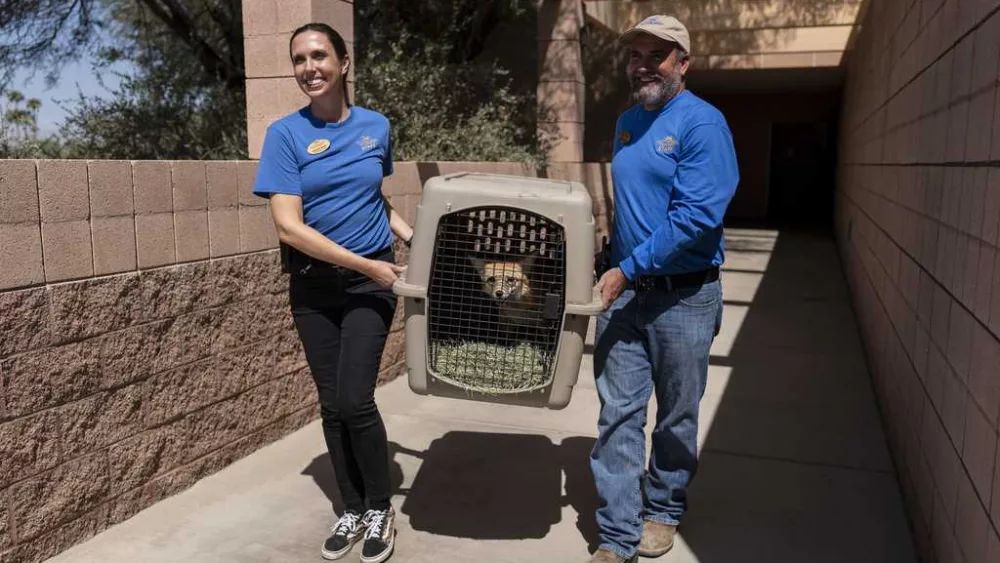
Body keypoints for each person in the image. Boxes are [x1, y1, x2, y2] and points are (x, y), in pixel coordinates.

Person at [251, 22, 412, 563]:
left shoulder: (376, 127)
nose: (309, 67)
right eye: (299, 59)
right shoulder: (285, 135)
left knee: (354, 398)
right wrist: (368, 263)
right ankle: (350, 506)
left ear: (345, 64)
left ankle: (379, 508)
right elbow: (289, 228)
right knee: (329, 402)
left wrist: (413, 236)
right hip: (315, 286)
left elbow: (373, 196)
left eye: (319, 56)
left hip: (373, 284)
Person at [588, 15, 739, 563]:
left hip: (685, 296)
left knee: (677, 412)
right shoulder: (628, 121)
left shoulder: (703, 124)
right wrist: (609, 260)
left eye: (657, 54)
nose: (643, 64)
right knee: (618, 413)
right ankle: (618, 533)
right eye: (636, 54)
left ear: (684, 63)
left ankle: (663, 508)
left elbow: (698, 216)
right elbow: (631, 207)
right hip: (626, 294)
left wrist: (628, 269)